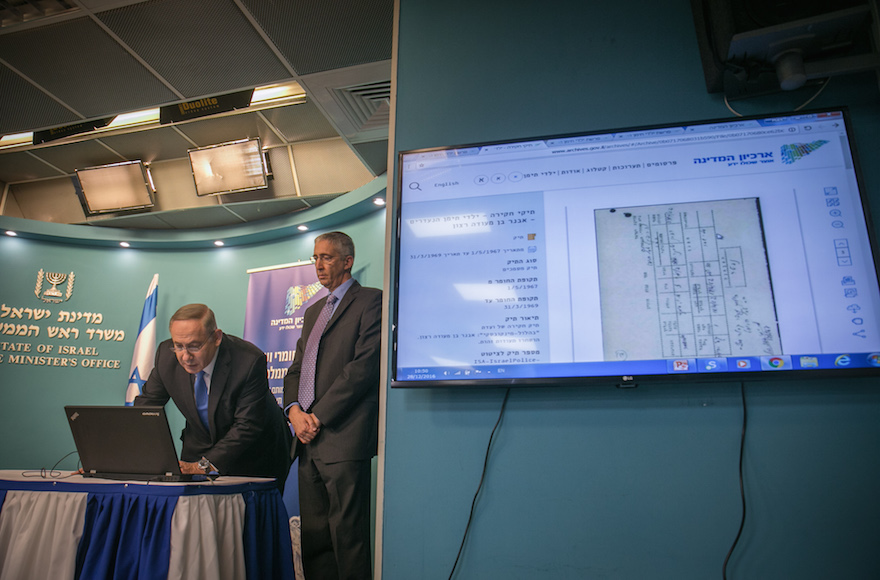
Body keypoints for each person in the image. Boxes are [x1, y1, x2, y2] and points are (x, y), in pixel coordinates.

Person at [283, 232, 382, 580]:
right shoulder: (312, 312)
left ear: (347, 260)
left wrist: (317, 417)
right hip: (307, 442)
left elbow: (363, 368)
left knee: (348, 538)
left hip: (342, 438)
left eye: (326, 257)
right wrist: (295, 412)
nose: (319, 265)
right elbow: (297, 369)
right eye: (315, 258)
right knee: (315, 540)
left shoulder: (372, 301)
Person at [135, 303, 292, 487]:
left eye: (194, 346)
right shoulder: (165, 356)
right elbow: (146, 408)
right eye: (178, 346)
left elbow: (247, 426)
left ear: (216, 337)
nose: (185, 357)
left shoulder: (248, 361)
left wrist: (205, 465)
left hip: (254, 454)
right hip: (199, 447)